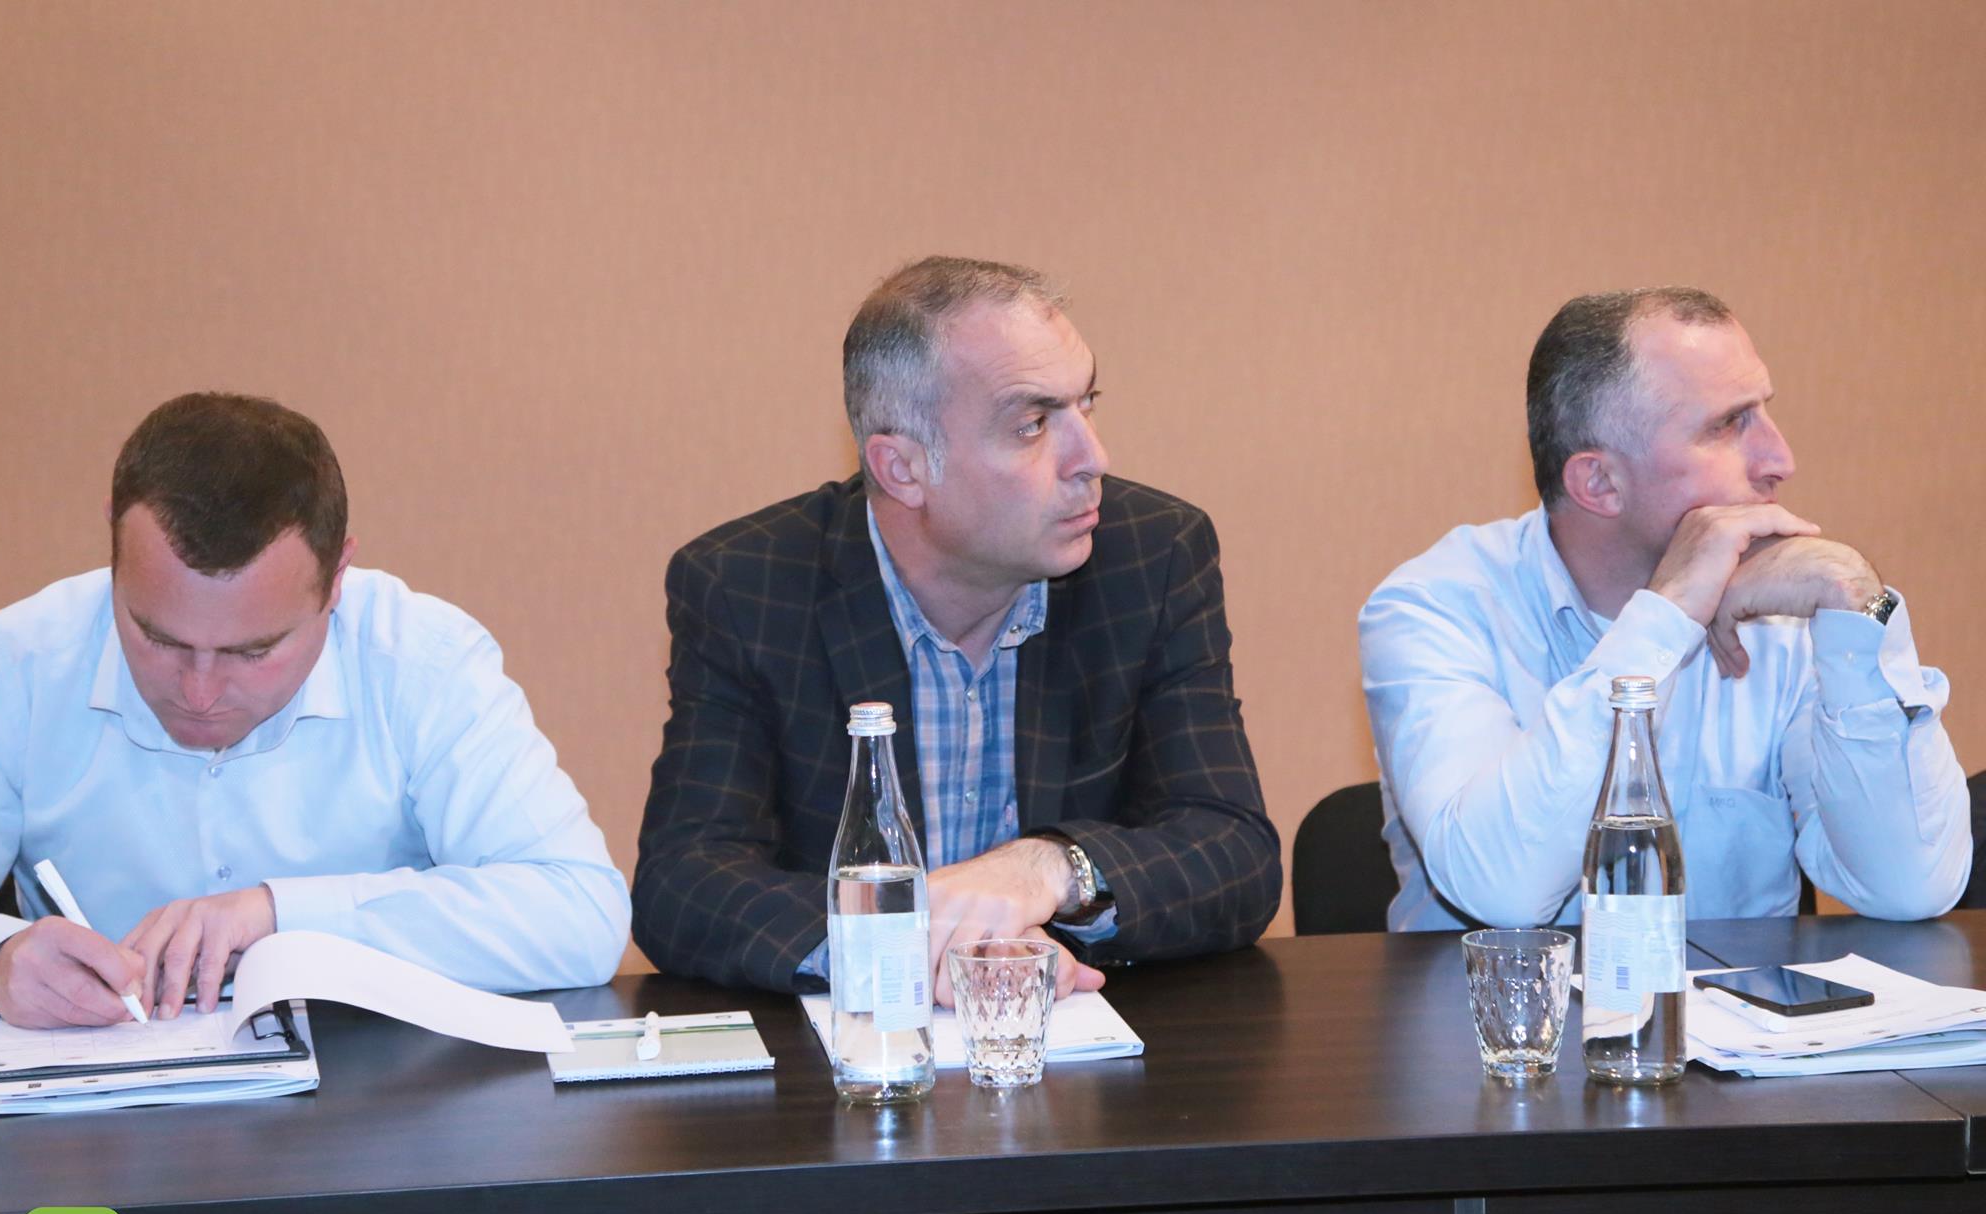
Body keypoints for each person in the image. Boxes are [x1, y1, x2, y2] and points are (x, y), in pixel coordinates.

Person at [635, 256, 1280, 1000]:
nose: (1092, 459)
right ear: (902, 469)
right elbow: (684, 883)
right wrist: (905, 941)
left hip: (1082, 1038)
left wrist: (1045, 868)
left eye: (1087, 404)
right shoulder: (748, 587)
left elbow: (1233, 848)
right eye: (1033, 425)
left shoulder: (1152, 555)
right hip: (857, 1058)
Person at [0, 393, 630, 1026]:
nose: (199, 692)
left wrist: (284, 917)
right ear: (113, 551)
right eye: (158, 638)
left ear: (336, 579)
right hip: (93, 1103)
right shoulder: (9, 670)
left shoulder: (421, 662)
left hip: (379, 1098)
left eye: (253, 650)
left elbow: (579, 912)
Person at [1361, 287, 1971, 931]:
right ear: (1599, 482)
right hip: (1501, 1002)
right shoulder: (1435, 608)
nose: (1780, 460)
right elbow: (1504, 891)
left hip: (1738, 1000)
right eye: (1727, 425)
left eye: (1764, 410)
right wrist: (1669, 613)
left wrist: (1855, 601)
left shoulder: (1782, 615)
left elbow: (1912, 885)